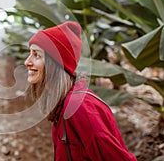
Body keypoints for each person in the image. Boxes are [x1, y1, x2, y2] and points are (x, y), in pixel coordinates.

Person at [24, 21, 137, 161]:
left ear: (56, 64)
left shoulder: (80, 107)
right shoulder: (64, 104)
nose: (27, 62)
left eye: (37, 55)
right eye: (30, 54)